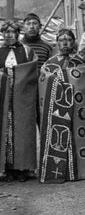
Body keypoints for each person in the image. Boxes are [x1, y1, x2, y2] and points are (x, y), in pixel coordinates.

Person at [0, 20, 38, 182]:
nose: (9, 35)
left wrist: (14, 76)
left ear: (18, 34)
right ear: (2, 34)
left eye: (12, 32)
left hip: (22, 98)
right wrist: (3, 76)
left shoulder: (27, 51)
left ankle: (23, 168)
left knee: (23, 131)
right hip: (3, 98)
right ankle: (6, 168)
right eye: (6, 32)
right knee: (4, 130)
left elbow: (30, 70)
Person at [39, 29, 85, 183]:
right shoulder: (49, 63)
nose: (65, 43)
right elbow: (43, 84)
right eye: (62, 40)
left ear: (74, 42)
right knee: (60, 136)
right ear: (57, 42)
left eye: (69, 40)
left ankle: (80, 172)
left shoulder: (81, 62)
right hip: (58, 109)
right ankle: (61, 172)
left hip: (79, 108)